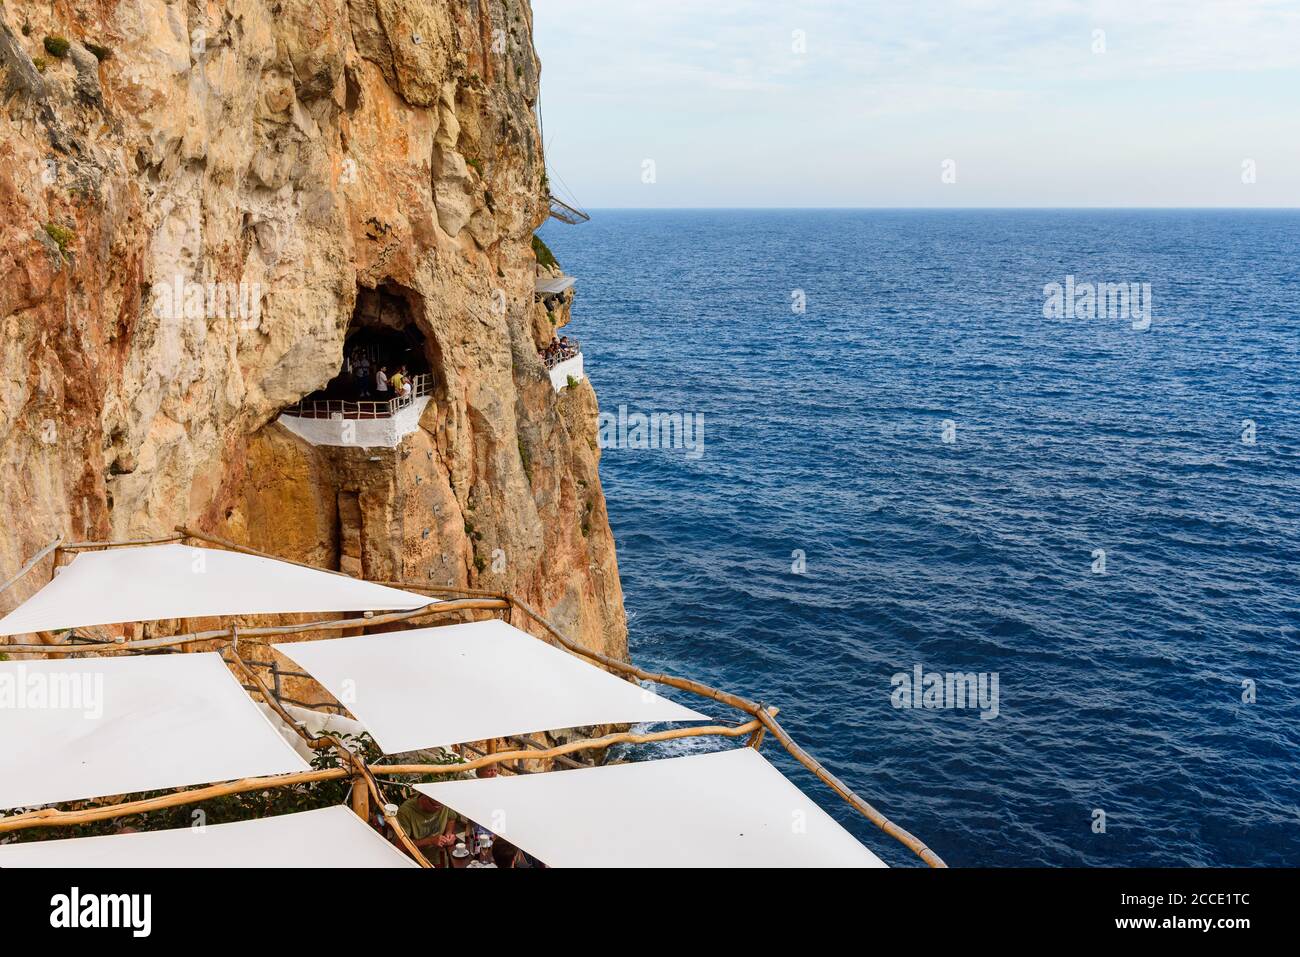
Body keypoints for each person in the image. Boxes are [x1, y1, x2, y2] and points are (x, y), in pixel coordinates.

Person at [393, 793, 458, 866]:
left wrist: (448, 833)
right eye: (436, 806)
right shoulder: (405, 812)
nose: (441, 809)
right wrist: (430, 841)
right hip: (416, 861)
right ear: (424, 797)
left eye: (442, 806)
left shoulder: (442, 803)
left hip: (438, 857)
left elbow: (451, 818)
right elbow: (400, 845)